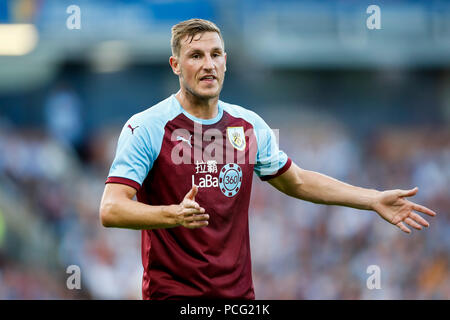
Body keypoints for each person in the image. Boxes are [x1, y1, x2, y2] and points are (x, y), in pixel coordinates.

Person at [99, 19, 437, 300]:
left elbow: (297, 181)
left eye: (216, 54)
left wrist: (372, 199)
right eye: (196, 55)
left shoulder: (248, 125)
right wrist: (172, 215)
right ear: (175, 65)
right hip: (172, 295)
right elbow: (111, 209)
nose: (208, 65)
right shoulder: (146, 126)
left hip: (240, 297)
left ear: (226, 62)